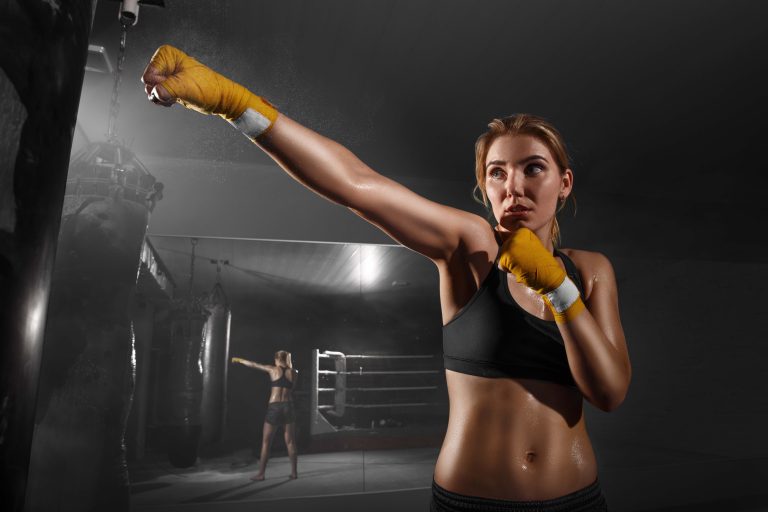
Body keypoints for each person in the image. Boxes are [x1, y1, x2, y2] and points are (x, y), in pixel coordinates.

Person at [143, 45, 631, 511]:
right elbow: (358, 185)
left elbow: (609, 392)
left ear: (563, 183)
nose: (514, 187)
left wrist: (559, 289)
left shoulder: (588, 271)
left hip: (577, 500)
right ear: (484, 187)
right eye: (497, 173)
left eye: (533, 169)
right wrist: (235, 103)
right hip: (473, 501)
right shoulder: (472, 247)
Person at [231, 350, 298, 481]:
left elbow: (254, 365)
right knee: (290, 442)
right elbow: (292, 389)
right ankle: (294, 473)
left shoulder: (273, 370)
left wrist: (240, 360)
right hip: (288, 406)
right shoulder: (294, 373)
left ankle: (261, 474)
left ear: (277, 359)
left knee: (266, 442)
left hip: (274, 407)